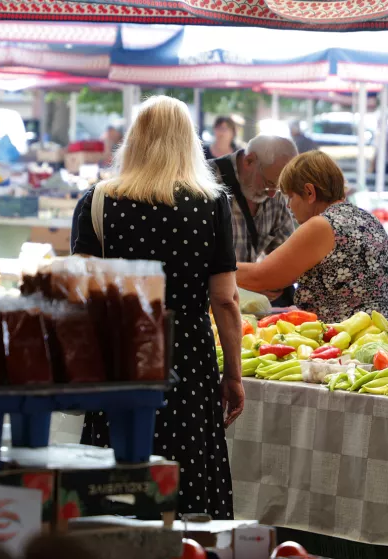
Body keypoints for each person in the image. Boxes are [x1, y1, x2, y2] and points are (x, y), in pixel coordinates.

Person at [71, 96, 244, 519]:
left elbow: (80, 294)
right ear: (189, 143)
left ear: (134, 141)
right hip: (187, 355)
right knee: (186, 480)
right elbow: (225, 299)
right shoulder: (212, 204)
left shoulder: (97, 201)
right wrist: (233, 374)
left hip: (121, 355)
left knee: (115, 476)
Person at [235, 151, 388, 333]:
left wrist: (215, 267)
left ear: (309, 192)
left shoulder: (322, 225)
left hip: (364, 341)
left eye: (290, 197)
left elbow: (263, 277)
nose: (288, 206)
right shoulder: (367, 218)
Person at [208, 135, 298, 306]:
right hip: (214, 304)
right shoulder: (207, 183)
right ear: (249, 161)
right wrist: (252, 282)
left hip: (254, 306)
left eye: (279, 188)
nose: (272, 194)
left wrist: (273, 280)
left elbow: (285, 255)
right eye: (268, 183)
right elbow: (197, 262)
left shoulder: (275, 192)